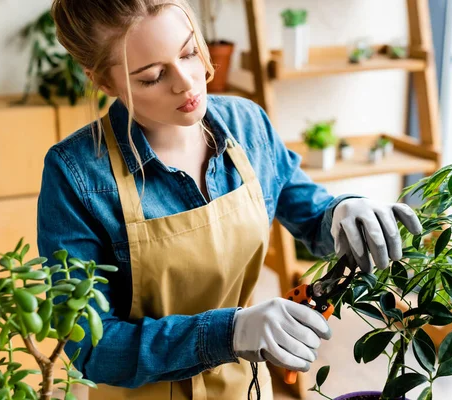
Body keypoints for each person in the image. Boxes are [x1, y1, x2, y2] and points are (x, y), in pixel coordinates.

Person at [37, 1, 423, 399]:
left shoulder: (246, 124)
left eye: (189, 52)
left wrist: (344, 212)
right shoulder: (77, 174)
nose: (187, 82)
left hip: (244, 388)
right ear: (103, 81)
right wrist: (230, 331)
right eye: (153, 76)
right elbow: (91, 347)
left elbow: (311, 217)